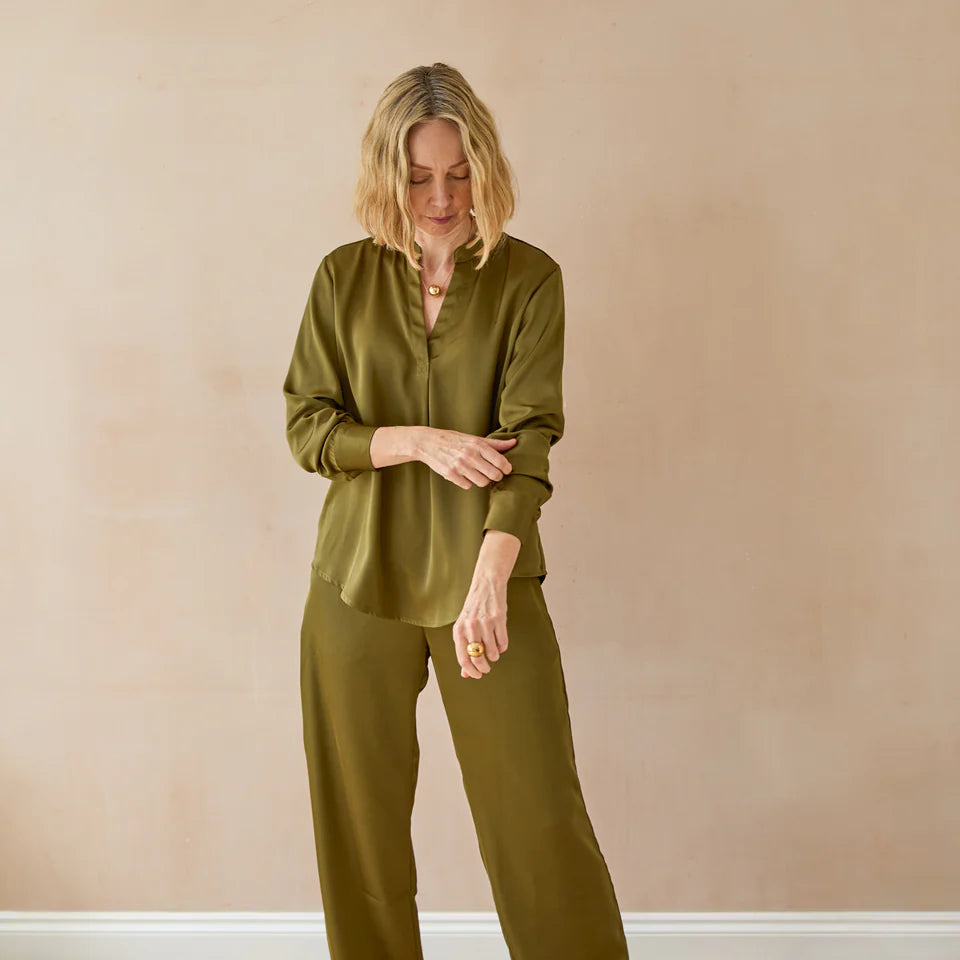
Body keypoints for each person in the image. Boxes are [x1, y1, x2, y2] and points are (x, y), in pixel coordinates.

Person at [283, 62, 629, 960]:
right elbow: (310, 427)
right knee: (359, 837)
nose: (441, 197)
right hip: (357, 582)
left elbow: (531, 440)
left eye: (460, 171)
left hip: (487, 580)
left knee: (538, 821)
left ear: (486, 164)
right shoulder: (342, 279)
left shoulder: (529, 280)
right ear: (386, 174)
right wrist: (418, 440)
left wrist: (492, 577)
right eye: (419, 175)